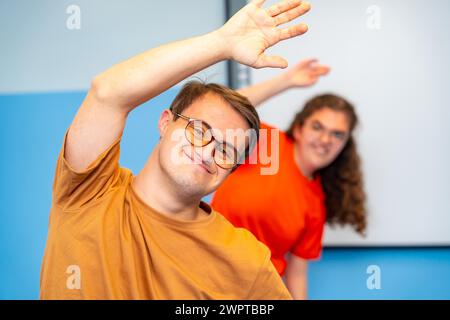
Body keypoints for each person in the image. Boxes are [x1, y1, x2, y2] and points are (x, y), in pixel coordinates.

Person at [40, 0, 313, 299]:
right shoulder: (89, 191)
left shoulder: (245, 261)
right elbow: (108, 93)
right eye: (199, 130)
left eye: (226, 150)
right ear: (166, 122)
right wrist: (222, 43)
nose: (208, 151)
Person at [212, 58, 367, 299]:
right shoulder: (267, 144)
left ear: (344, 145)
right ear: (299, 128)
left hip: (259, 294)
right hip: (207, 276)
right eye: (318, 127)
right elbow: (222, 111)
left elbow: (296, 274)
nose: (326, 139)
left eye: (337, 134)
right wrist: (286, 81)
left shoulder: (316, 203)